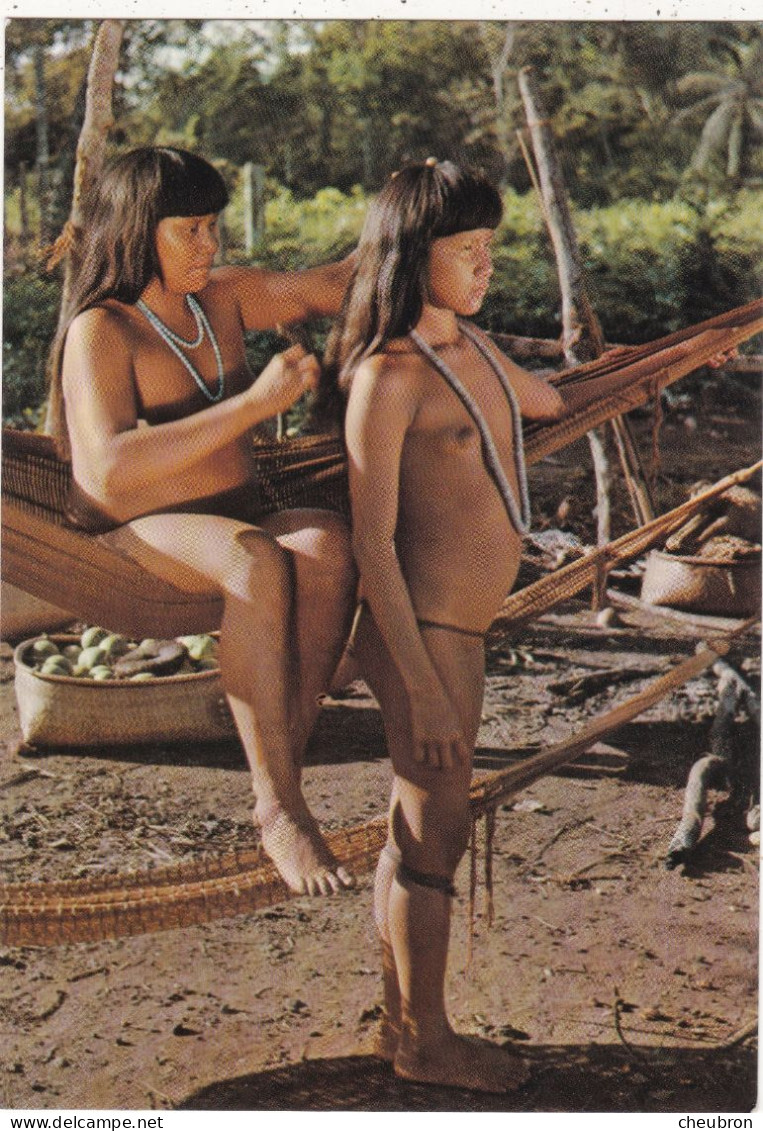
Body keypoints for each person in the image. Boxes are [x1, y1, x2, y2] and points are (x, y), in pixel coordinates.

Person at [47, 146, 358, 897]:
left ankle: (282, 745)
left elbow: (328, 286)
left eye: (212, 226)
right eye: (189, 229)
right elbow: (107, 470)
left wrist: (406, 217)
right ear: (136, 230)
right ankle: (279, 807)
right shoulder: (104, 330)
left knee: (324, 545)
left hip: (237, 511)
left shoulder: (223, 298)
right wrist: (254, 404)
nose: (209, 244)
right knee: (254, 558)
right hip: (140, 531)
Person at [323, 158, 565, 1091]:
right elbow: (372, 541)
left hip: (459, 629)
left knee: (421, 831)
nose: (484, 265)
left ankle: (402, 1023)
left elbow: (541, 402)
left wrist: (643, 370)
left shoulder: (467, 346)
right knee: (435, 833)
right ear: (408, 255)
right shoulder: (386, 376)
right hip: (421, 631)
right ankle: (427, 1042)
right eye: (465, 250)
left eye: (489, 249)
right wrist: (419, 682)